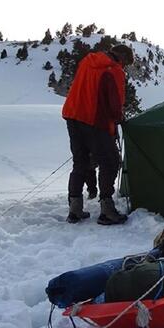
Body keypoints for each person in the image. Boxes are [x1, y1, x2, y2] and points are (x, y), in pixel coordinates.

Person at [62, 44, 134, 224]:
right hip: (94, 120)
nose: (124, 67)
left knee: (80, 161)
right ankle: (107, 211)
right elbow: (115, 103)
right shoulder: (114, 70)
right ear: (122, 57)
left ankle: (75, 210)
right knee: (110, 162)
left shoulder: (88, 61)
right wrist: (119, 118)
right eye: (126, 63)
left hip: (73, 115)